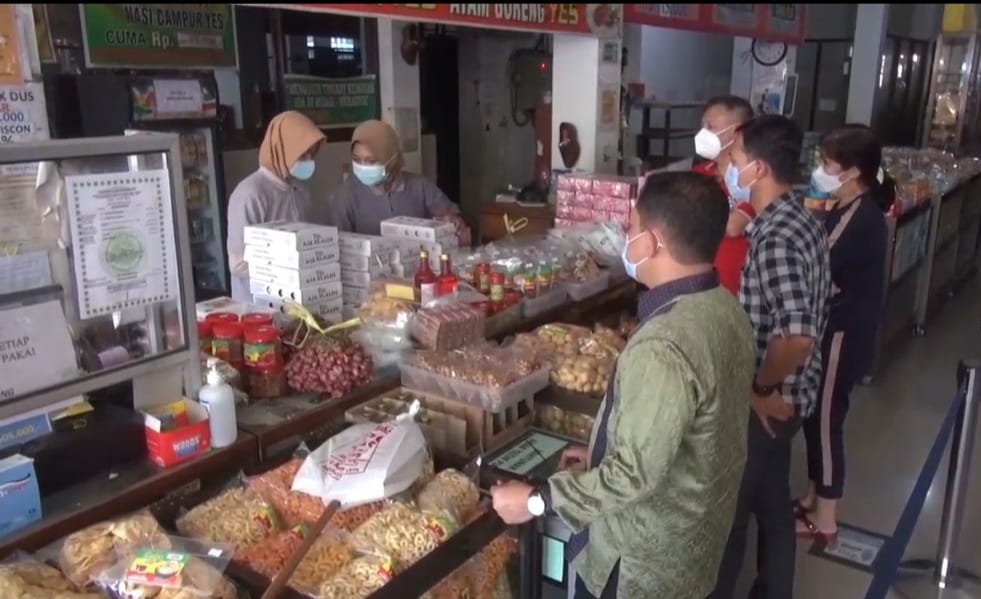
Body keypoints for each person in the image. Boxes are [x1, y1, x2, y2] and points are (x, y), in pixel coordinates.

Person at [491, 172, 756, 599]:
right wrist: (602, 446)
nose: (625, 237)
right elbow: (692, 426)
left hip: (642, 560)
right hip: (696, 538)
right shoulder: (725, 308)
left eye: (631, 228)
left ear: (651, 243)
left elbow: (632, 476)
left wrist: (536, 500)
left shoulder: (662, 346)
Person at [712, 115, 830, 599]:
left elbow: (798, 336)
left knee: (731, 514)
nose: (728, 167)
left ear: (758, 168)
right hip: (793, 396)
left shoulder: (777, 235)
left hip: (772, 401)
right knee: (773, 504)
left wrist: (759, 387)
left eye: (735, 159)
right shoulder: (796, 217)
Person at [793, 124, 891, 543]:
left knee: (827, 418)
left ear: (853, 172)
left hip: (842, 333)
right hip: (833, 328)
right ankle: (814, 496)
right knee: (816, 416)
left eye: (828, 164)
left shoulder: (863, 219)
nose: (821, 170)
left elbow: (822, 267)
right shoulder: (843, 205)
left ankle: (827, 517)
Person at [227, 111, 326, 303]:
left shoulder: (299, 190)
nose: (308, 161)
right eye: (302, 154)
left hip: (296, 303)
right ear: (281, 149)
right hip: (258, 307)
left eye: (311, 154)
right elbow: (238, 263)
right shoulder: (250, 194)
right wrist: (287, 266)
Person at [330, 120, 469, 243]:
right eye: (356, 159)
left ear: (392, 158)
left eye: (371, 161)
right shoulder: (346, 195)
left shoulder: (420, 186)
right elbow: (338, 244)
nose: (363, 166)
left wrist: (453, 221)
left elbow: (454, 218)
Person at [691, 95, 759, 294]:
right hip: (702, 286)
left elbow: (733, 227)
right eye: (702, 125)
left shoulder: (753, 180)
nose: (703, 133)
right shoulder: (699, 174)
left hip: (741, 288)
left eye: (711, 127)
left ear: (737, 131)